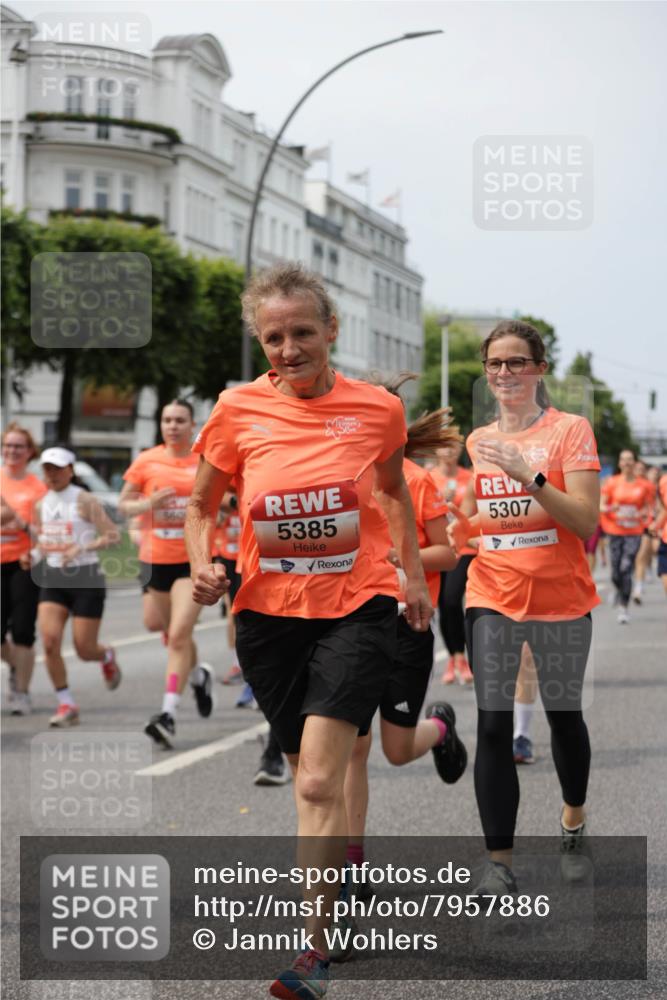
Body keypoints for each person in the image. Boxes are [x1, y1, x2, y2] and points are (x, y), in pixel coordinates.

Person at [185, 263, 432, 1000]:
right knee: (305, 776)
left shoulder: (377, 410)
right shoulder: (235, 410)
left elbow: (392, 490)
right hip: (267, 619)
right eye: (273, 337)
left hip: (357, 607)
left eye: (301, 332)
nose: (288, 349)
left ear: (332, 330)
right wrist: (202, 563)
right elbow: (201, 505)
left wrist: (413, 577)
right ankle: (338, 893)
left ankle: (311, 952)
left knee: (322, 778)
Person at [447, 319, 601, 896]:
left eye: (517, 362)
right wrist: (460, 527)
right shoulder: (479, 441)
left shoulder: (570, 430)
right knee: (492, 722)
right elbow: (493, 516)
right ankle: (499, 864)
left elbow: (583, 521)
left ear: (539, 369)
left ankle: (573, 819)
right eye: (495, 363)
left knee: (564, 718)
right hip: (492, 594)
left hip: (561, 599)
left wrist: (529, 476)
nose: (504, 372)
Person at [342, 376, 467, 946]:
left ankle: (439, 728)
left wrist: (400, 559)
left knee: (393, 751)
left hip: (406, 626)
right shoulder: (339, 477)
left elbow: (448, 552)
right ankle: (351, 866)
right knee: (353, 748)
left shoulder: (416, 479)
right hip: (350, 625)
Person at [119, 400, 214, 749]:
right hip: (154, 560)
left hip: (192, 561)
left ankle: (168, 713)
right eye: (167, 420)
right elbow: (123, 504)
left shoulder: (204, 460)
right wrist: (148, 505)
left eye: (179, 420)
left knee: (177, 636)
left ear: (192, 425)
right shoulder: (147, 460)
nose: (172, 426)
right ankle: (198, 675)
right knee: (166, 630)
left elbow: (223, 497)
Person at [32, 446, 122, 727]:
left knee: (84, 649)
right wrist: (32, 556)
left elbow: (113, 536)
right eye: (48, 469)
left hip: (86, 577)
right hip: (54, 578)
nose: (52, 474)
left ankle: (105, 655)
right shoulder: (41, 504)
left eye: (58, 469)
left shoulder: (84, 499)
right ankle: (67, 703)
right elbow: (44, 541)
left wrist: (81, 547)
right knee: (49, 642)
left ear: (70, 470)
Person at [1, 423, 47, 714]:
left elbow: (44, 533)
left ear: (30, 451)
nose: (12, 451)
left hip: (24, 563)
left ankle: (21, 691)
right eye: (8, 445)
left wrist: (17, 522)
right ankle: (18, 666)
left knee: (22, 630)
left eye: (19, 446)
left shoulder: (37, 489)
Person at [428, 441, 475, 684]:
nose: (448, 450)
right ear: (436, 450)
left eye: (453, 445)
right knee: (444, 604)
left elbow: (471, 513)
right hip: (439, 547)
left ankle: (462, 656)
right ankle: (454, 657)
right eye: (443, 445)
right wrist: (439, 500)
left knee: (453, 597)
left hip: (465, 549)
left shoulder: (470, 477)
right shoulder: (428, 478)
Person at [600, 449, 653, 623]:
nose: (627, 462)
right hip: (615, 530)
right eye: (624, 459)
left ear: (635, 462)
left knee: (626, 567)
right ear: (620, 463)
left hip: (634, 532)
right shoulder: (612, 482)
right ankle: (618, 589)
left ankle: (623, 608)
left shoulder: (644, 485)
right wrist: (611, 508)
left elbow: (650, 508)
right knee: (615, 572)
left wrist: (645, 513)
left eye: (630, 459)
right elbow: (601, 506)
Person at [632, 461, 658, 603]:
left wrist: (649, 514)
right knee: (637, 557)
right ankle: (636, 584)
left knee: (644, 554)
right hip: (630, 527)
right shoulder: (626, 484)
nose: (640, 471)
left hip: (647, 524)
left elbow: (654, 505)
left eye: (642, 469)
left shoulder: (649, 486)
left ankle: (638, 588)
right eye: (637, 469)